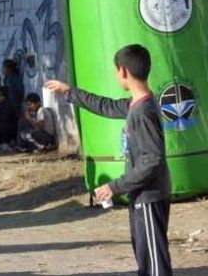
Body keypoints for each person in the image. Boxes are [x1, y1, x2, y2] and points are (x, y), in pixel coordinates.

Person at [45, 44, 172, 276]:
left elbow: (152, 160)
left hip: (149, 194)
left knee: (155, 261)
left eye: (115, 70)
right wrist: (69, 92)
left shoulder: (143, 112)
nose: (115, 75)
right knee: (145, 255)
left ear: (123, 71)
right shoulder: (136, 104)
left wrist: (114, 187)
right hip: (142, 193)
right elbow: (106, 105)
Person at [0, 86, 17, 151]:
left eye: (0, 95)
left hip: (9, 132)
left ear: (5, 96)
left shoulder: (8, 107)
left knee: (3, 125)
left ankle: (6, 143)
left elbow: (5, 121)